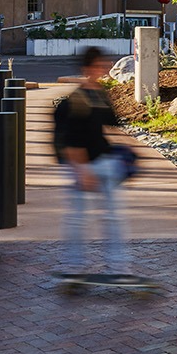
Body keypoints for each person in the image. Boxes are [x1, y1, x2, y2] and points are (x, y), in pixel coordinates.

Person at [53, 46, 130, 279]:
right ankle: (74, 266)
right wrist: (81, 170)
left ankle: (118, 266)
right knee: (78, 218)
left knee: (113, 216)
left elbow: (111, 125)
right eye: (98, 65)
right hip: (82, 165)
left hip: (103, 161)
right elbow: (69, 140)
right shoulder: (75, 100)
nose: (103, 70)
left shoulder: (100, 95)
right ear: (87, 68)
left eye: (103, 65)